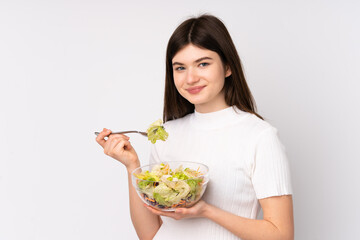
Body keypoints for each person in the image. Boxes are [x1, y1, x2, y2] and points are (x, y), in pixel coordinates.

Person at [96, 14, 294, 240]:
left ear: (228, 66)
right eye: (180, 68)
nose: (190, 78)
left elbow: (282, 234)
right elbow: (150, 234)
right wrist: (133, 167)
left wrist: (207, 211)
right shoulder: (166, 135)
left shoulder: (259, 136)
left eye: (203, 64)